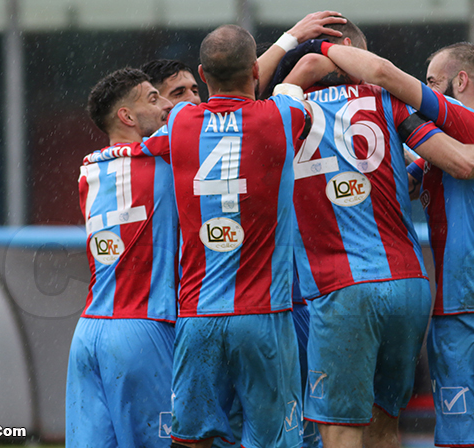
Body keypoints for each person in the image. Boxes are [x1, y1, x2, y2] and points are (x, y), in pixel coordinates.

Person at [278, 20, 474, 448]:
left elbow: (460, 159)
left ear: (460, 81)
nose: (424, 90)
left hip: (463, 307)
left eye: (432, 82)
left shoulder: (286, 112)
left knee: (344, 429)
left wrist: (308, 51)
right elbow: (417, 173)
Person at [142, 25, 312, 448]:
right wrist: (292, 40)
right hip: (264, 316)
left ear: (202, 75)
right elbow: (295, 87)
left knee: (191, 440)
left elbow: (151, 145)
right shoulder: (283, 116)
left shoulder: (180, 121)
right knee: (273, 440)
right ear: (255, 70)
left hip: (198, 316)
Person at [66, 67, 176, 448]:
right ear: (126, 116)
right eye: (153, 98)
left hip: (88, 332)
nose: (166, 105)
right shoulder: (163, 155)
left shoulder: (88, 169)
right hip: (142, 328)